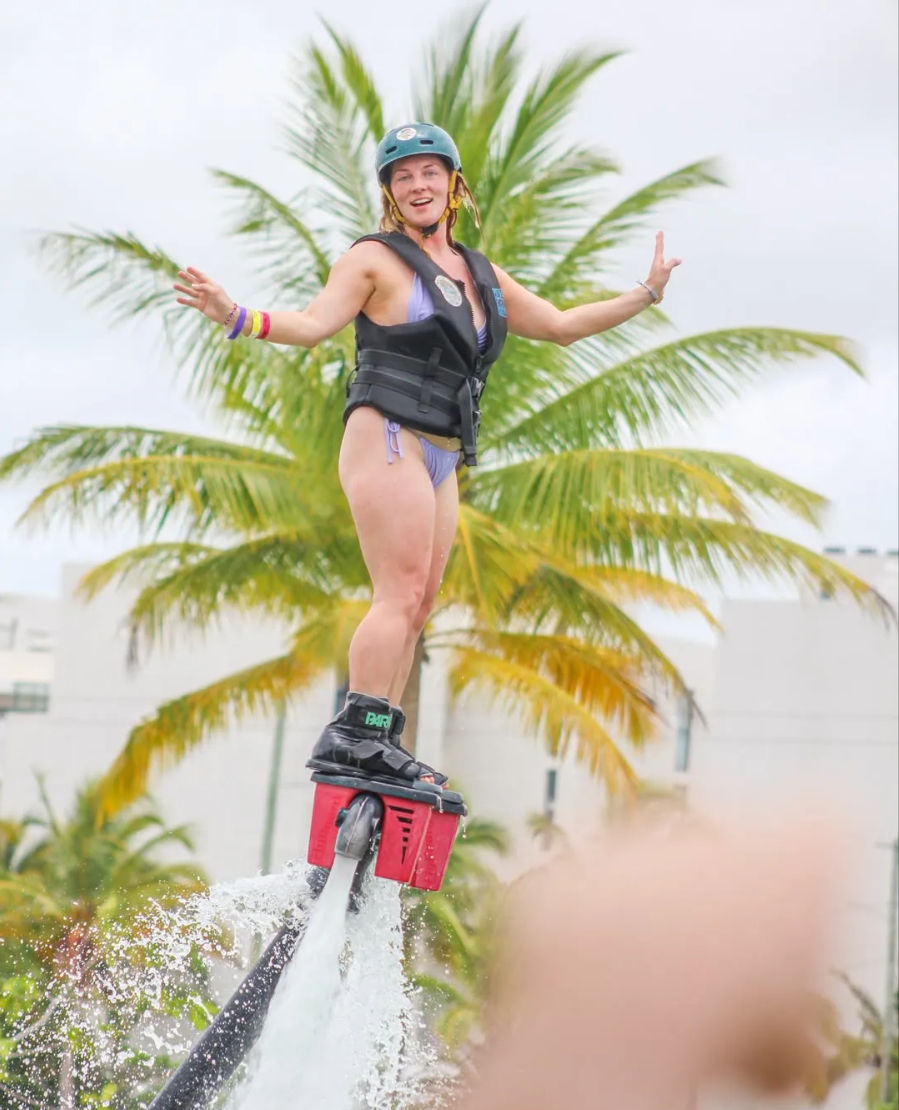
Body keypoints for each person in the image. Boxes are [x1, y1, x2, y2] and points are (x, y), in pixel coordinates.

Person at [173, 122, 681, 788]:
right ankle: (351, 734)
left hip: (442, 453)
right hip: (387, 434)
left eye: (428, 172)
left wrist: (644, 293)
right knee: (399, 591)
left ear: (452, 182)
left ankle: (380, 736)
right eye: (402, 176)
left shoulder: (480, 273)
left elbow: (559, 326)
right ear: (389, 191)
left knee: (420, 604)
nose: (417, 185)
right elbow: (313, 324)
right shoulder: (371, 259)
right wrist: (237, 315)